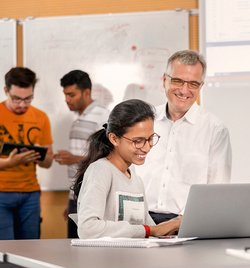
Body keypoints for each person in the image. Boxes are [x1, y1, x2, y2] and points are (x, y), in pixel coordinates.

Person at [136, 50, 232, 224]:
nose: (184, 90)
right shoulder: (142, 120)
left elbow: (217, 189)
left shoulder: (215, 129)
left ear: (201, 87)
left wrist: (182, 223)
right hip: (138, 223)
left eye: (193, 84)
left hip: (186, 224)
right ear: (164, 80)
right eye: (178, 81)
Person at [74, 99, 180, 238]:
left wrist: (174, 224)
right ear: (114, 139)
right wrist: (149, 231)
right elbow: (88, 228)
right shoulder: (100, 171)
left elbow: (151, 230)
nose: (147, 147)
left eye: (150, 139)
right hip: (106, 259)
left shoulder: (136, 180)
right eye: (138, 141)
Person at [54, 70, 110, 238]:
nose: (67, 100)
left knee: (87, 252)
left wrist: (73, 158)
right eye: (65, 95)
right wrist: (70, 200)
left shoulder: (103, 116)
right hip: (77, 197)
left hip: (92, 197)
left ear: (87, 92)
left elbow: (108, 157)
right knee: (73, 249)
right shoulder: (79, 117)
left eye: (71, 95)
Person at [0, 67, 53, 240]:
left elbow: (48, 163)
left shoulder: (41, 117)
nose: (22, 105)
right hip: (1, 193)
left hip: (30, 194)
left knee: (31, 251)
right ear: (6, 90)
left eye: (28, 99)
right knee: (4, 253)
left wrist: (40, 155)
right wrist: (10, 163)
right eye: (16, 99)